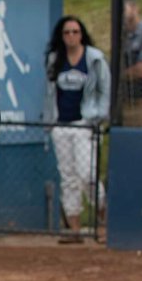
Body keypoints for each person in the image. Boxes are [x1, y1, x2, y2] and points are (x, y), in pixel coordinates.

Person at [44, 15, 109, 243]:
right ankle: (75, 230)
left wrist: (98, 116)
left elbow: (104, 90)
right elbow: (50, 93)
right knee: (68, 177)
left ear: (82, 34)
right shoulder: (55, 59)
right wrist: (50, 122)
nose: (71, 36)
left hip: (85, 123)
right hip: (61, 125)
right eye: (67, 32)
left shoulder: (94, 59)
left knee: (87, 175)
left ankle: (104, 223)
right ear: (61, 37)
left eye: (75, 32)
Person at [122, 0, 142, 105]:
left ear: (135, 8)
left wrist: (115, 76)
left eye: (123, 9)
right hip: (128, 100)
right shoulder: (123, 37)